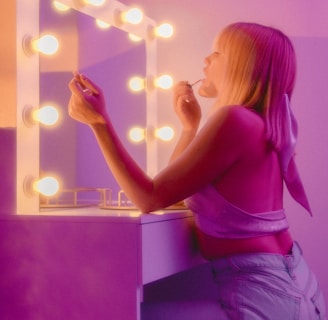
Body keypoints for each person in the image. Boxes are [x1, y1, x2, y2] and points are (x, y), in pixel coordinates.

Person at [68, 22, 326, 319]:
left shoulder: (234, 119)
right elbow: (176, 193)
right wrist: (189, 128)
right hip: (292, 281)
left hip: (265, 288)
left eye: (216, 53)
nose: (206, 60)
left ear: (240, 67)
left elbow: (149, 198)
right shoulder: (259, 123)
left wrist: (100, 124)